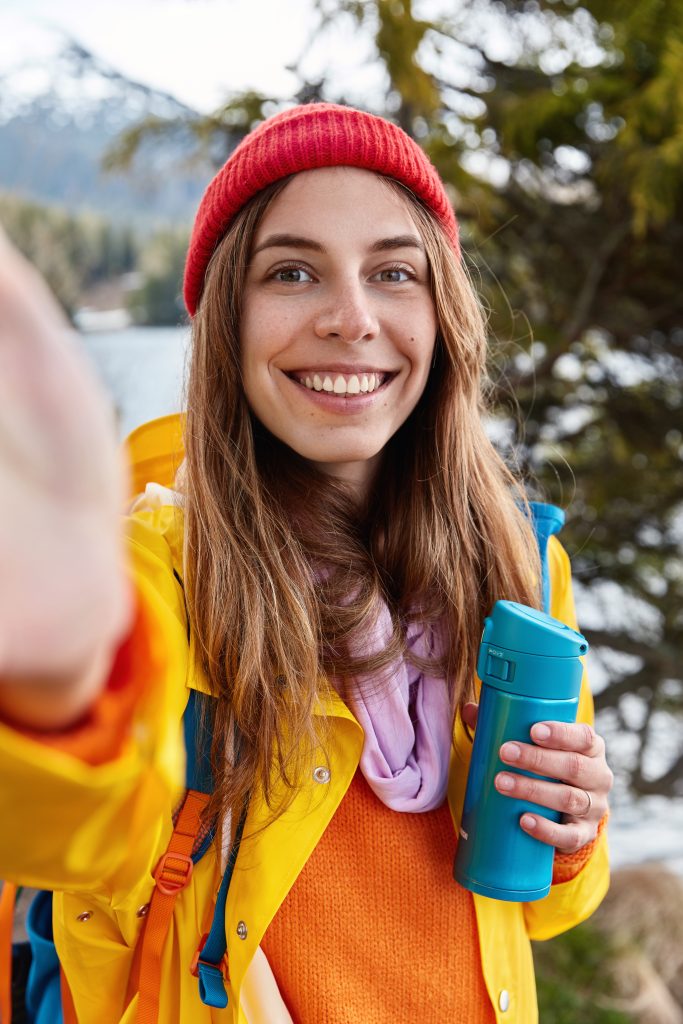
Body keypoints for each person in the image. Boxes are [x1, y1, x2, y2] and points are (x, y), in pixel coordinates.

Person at [0, 103, 613, 1024]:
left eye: (393, 273)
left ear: (441, 311)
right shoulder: (156, 570)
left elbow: (545, 911)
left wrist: (570, 833)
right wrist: (53, 673)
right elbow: (56, 833)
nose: (350, 319)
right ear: (224, 322)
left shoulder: (520, 565)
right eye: (291, 271)